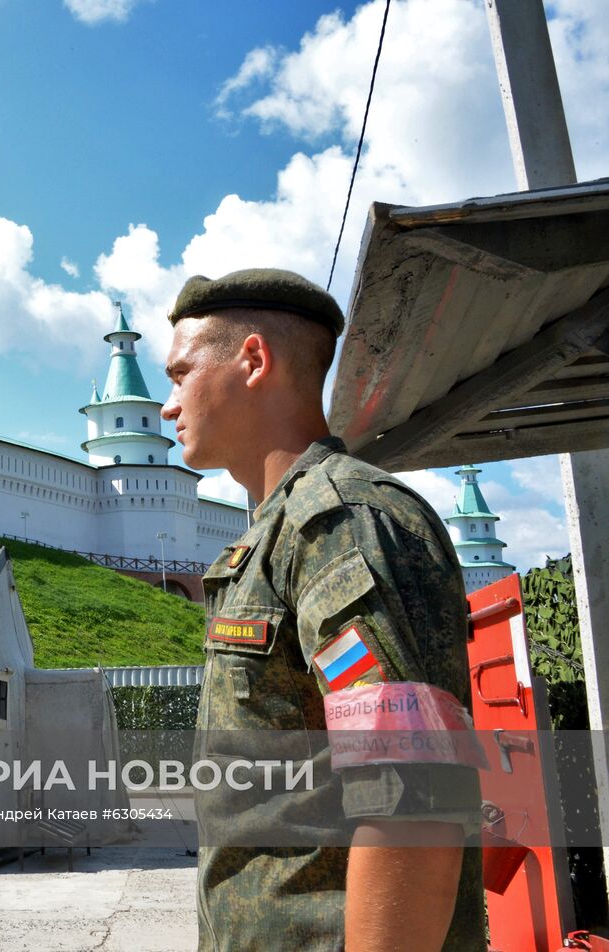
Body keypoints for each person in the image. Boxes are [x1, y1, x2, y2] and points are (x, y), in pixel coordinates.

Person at [159, 268, 484, 951]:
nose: (167, 404)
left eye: (181, 373)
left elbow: (412, 802)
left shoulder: (341, 522)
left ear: (253, 360)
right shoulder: (275, 537)